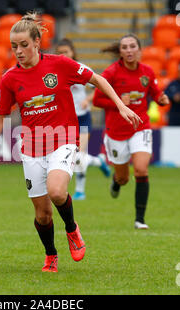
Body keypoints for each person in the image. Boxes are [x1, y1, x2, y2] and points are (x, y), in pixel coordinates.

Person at [0, 14, 141, 273]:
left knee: (57, 192)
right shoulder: (10, 78)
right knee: (42, 215)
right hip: (32, 148)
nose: (18, 51)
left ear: (37, 42)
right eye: (14, 46)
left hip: (64, 140)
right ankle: (50, 255)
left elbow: (98, 79)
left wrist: (120, 105)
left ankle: (71, 229)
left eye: (23, 45)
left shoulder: (59, 64)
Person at [94, 33, 170, 230]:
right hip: (116, 131)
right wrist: (118, 102)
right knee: (123, 178)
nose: (129, 50)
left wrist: (162, 98)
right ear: (120, 52)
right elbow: (97, 100)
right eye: (125, 47)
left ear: (139, 50)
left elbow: (155, 92)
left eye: (132, 46)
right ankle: (116, 182)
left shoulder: (147, 72)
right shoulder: (111, 73)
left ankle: (140, 219)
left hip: (140, 127)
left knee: (141, 170)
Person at [55, 38, 111, 201]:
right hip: (65, 120)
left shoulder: (81, 69)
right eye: (60, 52)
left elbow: (99, 86)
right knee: (74, 155)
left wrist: (88, 100)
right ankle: (99, 161)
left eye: (66, 52)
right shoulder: (54, 72)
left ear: (73, 52)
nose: (63, 55)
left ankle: (80, 190)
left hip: (82, 118)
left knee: (78, 155)